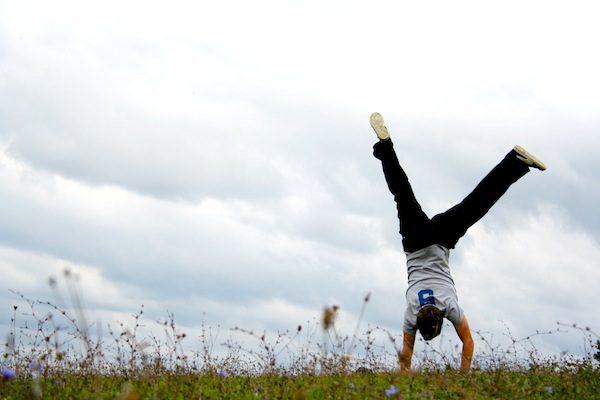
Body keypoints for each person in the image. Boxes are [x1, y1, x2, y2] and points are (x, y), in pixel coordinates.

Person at [369, 112, 546, 373]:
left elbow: (468, 342)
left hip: (441, 239)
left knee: (476, 205)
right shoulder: (411, 313)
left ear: (441, 321)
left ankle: (516, 163)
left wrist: (464, 376)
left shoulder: (449, 307)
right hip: (415, 240)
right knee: (401, 191)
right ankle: (385, 147)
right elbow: (405, 357)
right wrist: (403, 376)